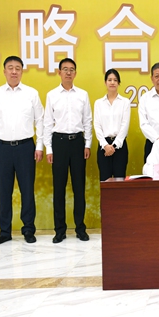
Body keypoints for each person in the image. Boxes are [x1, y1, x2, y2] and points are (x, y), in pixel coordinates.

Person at [0, 56, 44, 245]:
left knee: (27, 190)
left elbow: (40, 121)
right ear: (4, 71)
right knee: (4, 191)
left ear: (22, 71)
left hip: (26, 147)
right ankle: (4, 231)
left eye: (18, 68)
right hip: (2, 148)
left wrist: (39, 146)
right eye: (10, 68)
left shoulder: (31, 94)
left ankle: (28, 229)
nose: (14, 71)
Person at [44, 58, 93, 243]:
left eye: (72, 69)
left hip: (78, 142)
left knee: (79, 188)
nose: (68, 72)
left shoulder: (83, 95)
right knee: (59, 188)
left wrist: (87, 144)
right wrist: (49, 149)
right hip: (59, 143)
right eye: (65, 69)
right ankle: (60, 230)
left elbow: (87, 121)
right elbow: (47, 123)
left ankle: (80, 228)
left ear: (75, 73)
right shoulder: (51, 95)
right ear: (59, 72)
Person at [93, 69, 131, 181]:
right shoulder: (99, 103)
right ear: (105, 82)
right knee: (105, 182)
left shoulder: (125, 102)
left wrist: (113, 146)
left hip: (120, 146)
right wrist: (105, 145)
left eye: (115, 80)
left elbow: (124, 126)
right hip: (103, 147)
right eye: (109, 80)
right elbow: (97, 126)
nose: (112, 82)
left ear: (119, 83)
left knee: (119, 182)